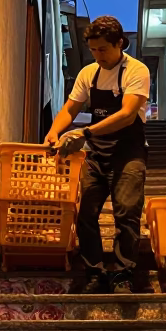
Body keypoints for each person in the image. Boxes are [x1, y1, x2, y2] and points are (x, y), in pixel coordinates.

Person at [45, 15, 150, 293]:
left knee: (126, 212)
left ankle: (123, 274)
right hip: (97, 156)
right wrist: (54, 132)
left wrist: (85, 133)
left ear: (119, 43)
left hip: (128, 154)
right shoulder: (88, 74)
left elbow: (127, 115)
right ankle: (95, 271)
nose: (97, 55)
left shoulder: (136, 71)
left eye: (102, 49)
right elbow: (70, 109)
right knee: (86, 214)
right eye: (93, 50)